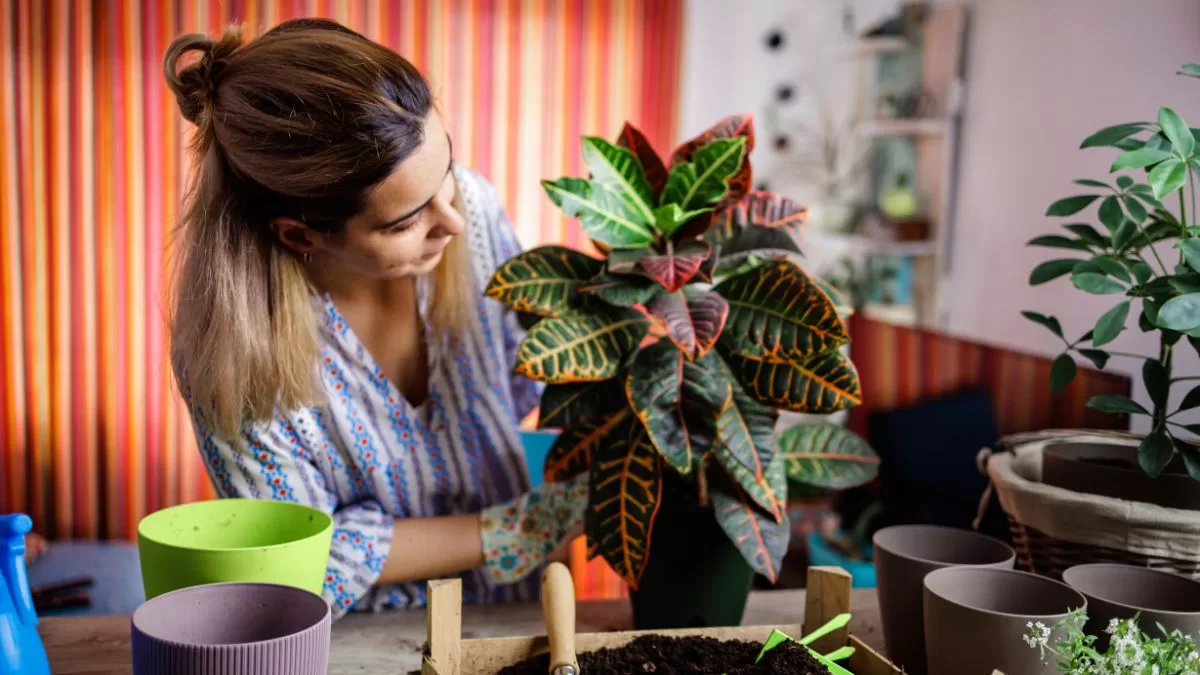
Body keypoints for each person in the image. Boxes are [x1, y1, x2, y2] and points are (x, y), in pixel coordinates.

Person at [163, 18, 584, 617]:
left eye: (449, 175)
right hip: (360, 646)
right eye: (405, 221)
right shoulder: (234, 353)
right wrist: (512, 530)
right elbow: (299, 565)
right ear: (301, 233)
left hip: (516, 614)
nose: (454, 220)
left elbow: (534, 375)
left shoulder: (474, 208)